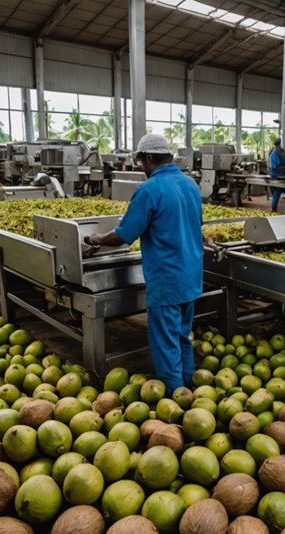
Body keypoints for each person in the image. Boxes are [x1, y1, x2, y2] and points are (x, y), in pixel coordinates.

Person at [84, 134, 202, 395]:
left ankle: (174, 396)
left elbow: (122, 236)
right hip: (191, 276)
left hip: (167, 279)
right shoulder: (191, 185)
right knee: (182, 336)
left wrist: (95, 238)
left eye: (140, 162)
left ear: (148, 159)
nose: (141, 167)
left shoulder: (149, 190)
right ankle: (190, 386)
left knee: (165, 341)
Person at [269, 137, 285, 212]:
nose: (280, 148)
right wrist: (284, 169)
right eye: (279, 147)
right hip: (277, 176)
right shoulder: (273, 155)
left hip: (284, 176)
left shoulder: (282, 152)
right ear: (277, 146)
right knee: (277, 192)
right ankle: (274, 209)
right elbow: (274, 168)